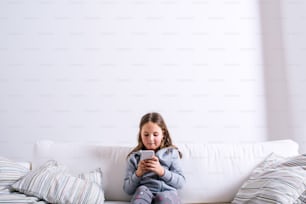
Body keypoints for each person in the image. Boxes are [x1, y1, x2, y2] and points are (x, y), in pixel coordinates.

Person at [123, 112, 185, 204]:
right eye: (146, 134)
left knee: (165, 197)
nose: (150, 139)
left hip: (167, 194)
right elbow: (127, 190)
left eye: (155, 135)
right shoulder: (134, 158)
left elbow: (181, 183)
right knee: (142, 190)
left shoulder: (171, 154)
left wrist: (162, 172)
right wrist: (138, 174)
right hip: (144, 193)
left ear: (163, 134)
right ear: (140, 134)